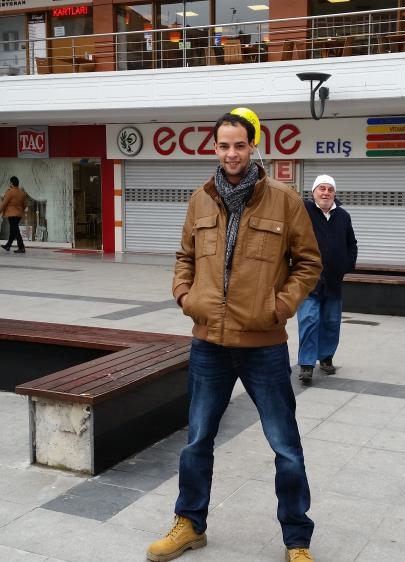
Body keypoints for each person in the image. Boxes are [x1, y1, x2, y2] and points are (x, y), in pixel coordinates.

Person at [147, 108, 322, 562]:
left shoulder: (284, 200)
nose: (231, 153)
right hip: (209, 344)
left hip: (263, 345)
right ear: (215, 147)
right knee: (197, 440)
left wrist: (278, 308)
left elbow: (308, 263)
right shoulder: (200, 200)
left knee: (285, 446)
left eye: (239, 145)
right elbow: (185, 256)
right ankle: (190, 524)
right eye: (224, 145)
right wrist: (185, 297)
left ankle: (297, 540)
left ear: (252, 146)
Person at [296, 174, 358, 384]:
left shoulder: (343, 216)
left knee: (331, 322)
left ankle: (326, 357)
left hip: (333, 281)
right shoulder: (304, 210)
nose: (326, 193)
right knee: (309, 321)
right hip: (308, 280)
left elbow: (352, 243)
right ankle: (306, 364)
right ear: (313, 192)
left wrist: (347, 264)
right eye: (321, 188)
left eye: (330, 189)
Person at [0, 176, 26, 253]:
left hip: (12, 214)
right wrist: (20, 209)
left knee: (15, 230)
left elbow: (4, 203)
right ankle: (8, 245)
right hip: (19, 214)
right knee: (13, 230)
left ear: (11, 183)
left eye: (10, 183)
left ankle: (21, 247)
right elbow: (25, 204)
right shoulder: (22, 192)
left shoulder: (10, 192)